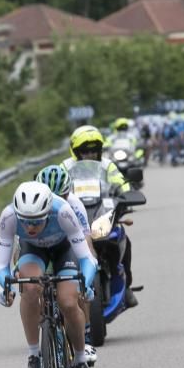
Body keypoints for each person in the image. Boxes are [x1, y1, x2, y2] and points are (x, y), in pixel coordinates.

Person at [0, 182, 96, 368]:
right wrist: (6, 287)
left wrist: (85, 283)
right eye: (26, 222)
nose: (30, 228)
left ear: (48, 213)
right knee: (30, 289)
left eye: (37, 222)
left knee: (68, 302)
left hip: (64, 250)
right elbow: (1, 266)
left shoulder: (63, 212)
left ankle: (80, 362)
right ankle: (34, 357)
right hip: (33, 251)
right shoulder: (9, 217)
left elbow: (87, 258)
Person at [60, 125, 139, 310]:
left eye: (94, 150)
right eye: (85, 150)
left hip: (101, 215)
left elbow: (121, 182)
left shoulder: (107, 165)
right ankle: (53, 291)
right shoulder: (65, 167)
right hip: (74, 220)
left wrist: (127, 196)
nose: (90, 154)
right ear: (76, 151)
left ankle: (126, 286)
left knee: (123, 239)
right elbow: (53, 186)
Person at [35, 164, 98, 367]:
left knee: (77, 288)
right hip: (42, 248)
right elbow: (20, 247)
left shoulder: (74, 204)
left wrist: (88, 270)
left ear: (68, 192)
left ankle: (85, 338)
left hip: (68, 246)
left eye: (60, 195)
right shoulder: (32, 205)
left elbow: (85, 239)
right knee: (33, 286)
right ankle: (45, 337)